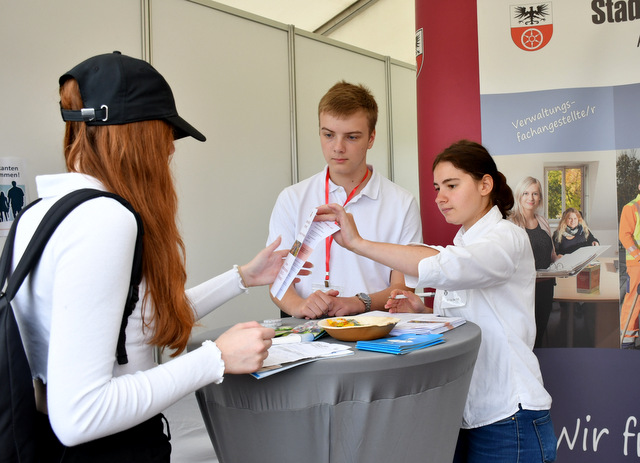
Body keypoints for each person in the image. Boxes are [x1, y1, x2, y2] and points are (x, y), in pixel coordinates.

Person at [11, 51, 308, 462]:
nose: (169, 151)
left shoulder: (39, 212)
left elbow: (130, 320)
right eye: (165, 136)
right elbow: (79, 413)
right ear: (138, 136)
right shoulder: (105, 219)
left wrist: (242, 277)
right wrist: (216, 357)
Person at [316, 140, 557, 463]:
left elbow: (447, 265)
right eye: (436, 187)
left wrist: (358, 243)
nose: (440, 197)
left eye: (452, 186)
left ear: (485, 184)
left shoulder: (506, 237)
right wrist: (426, 311)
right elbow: (476, 316)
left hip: (508, 415)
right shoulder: (464, 242)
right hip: (464, 414)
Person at [267, 81, 422, 319]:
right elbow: (277, 278)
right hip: (305, 332)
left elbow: (403, 288)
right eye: (328, 134)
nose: (337, 148)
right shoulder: (292, 198)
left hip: (375, 332)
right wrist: (300, 306)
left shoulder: (402, 203)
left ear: (371, 139)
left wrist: (359, 303)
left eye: (351, 137)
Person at [509, 176, 558, 348]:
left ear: (540, 198)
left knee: (540, 330)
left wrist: (565, 260)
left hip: (545, 287)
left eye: (535, 193)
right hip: (524, 290)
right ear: (519, 196)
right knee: (524, 335)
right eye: (526, 193)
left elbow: (552, 254)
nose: (531, 198)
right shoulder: (511, 223)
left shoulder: (543, 221)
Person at [619, 182, 640, 348]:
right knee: (634, 298)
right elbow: (624, 236)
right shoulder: (632, 207)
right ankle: (627, 340)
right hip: (637, 263)